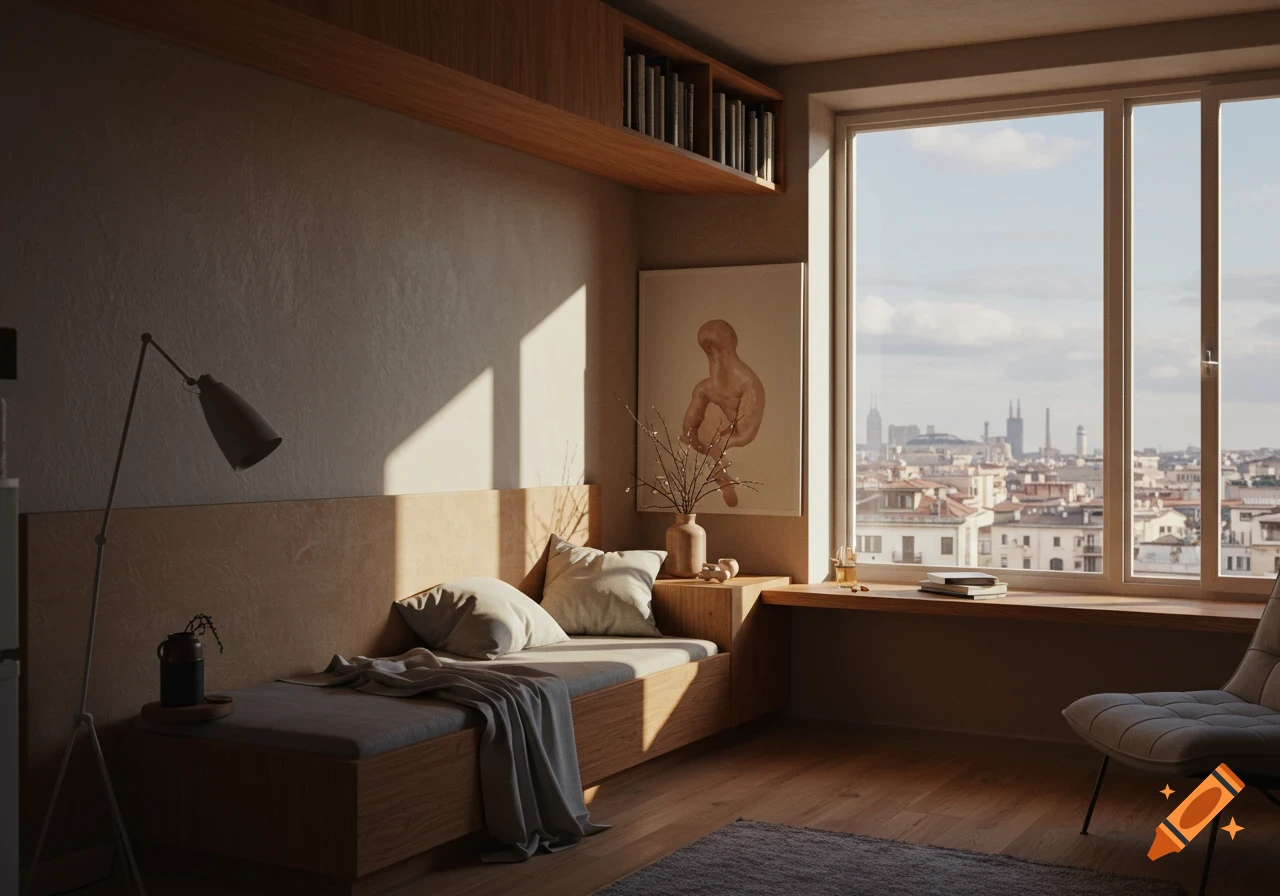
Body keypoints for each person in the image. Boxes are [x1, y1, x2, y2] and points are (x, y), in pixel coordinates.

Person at [680, 319, 765, 507]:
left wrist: (725, 441)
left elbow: (745, 432)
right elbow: (688, 431)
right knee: (692, 431)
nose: (714, 354)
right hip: (720, 429)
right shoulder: (707, 387)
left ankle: (719, 470)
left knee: (718, 436)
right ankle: (719, 471)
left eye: (718, 348)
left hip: (739, 428)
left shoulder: (748, 385)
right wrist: (692, 435)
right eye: (708, 349)